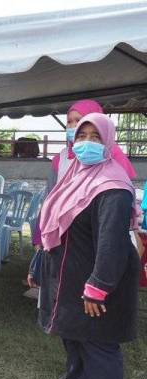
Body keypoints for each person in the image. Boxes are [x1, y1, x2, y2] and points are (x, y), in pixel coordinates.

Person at [37, 113, 139, 379]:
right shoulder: (77, 176)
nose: (87, 143)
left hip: (101, 281)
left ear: (109, 142)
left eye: (96, 137)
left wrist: (98, 287)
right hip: (73, 274)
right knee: (76, 339)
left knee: (100, 345)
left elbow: (112, 242)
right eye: (82, 136)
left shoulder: (113, 185)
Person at [29, 99, 137, 283]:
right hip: (64, 243)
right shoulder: (62, 159)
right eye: (69, 122)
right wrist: (40, 237)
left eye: (78, 120)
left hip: (96, 242)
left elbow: (117, 207)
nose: (73, 126)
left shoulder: (113, 159)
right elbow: (50, 199)